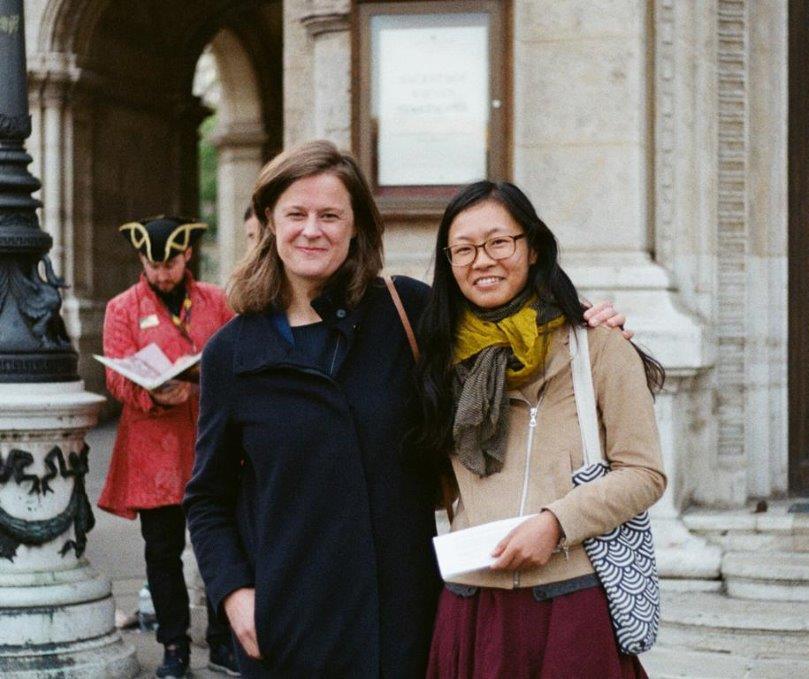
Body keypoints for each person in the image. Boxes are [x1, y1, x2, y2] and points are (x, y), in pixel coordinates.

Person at [184, 141, 630, 677]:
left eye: (330, 215)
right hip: (290, 622)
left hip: (404, 619)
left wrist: (585, 321)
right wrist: (234, 594)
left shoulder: (405, 312)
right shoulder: (232, 353)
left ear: (357, 227)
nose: (312, 230)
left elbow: (510, 315)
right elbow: (208, 498)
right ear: (269, 223)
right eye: (295, 214)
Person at [415, 181, 667, 678]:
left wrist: (555, 523)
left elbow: (644, 472)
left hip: (571, 606)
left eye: (498, 242)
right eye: (463, 249)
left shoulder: (597, 346)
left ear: (532, 248)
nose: (481, 260)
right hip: (472, 607)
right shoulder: (439, 359)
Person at [98, 216, 239, 678]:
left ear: (187, 256)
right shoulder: (122, 307)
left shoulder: (217, 301)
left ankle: (222, 640)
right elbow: (116, 374)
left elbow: (238, 358)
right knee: (162, 552)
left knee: (220, 545)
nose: (162, 274)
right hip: (153, 451)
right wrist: (151, 393)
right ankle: (174, 645)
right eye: (153, 265)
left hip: (210, 443)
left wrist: (203, 377)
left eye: (170, 263)